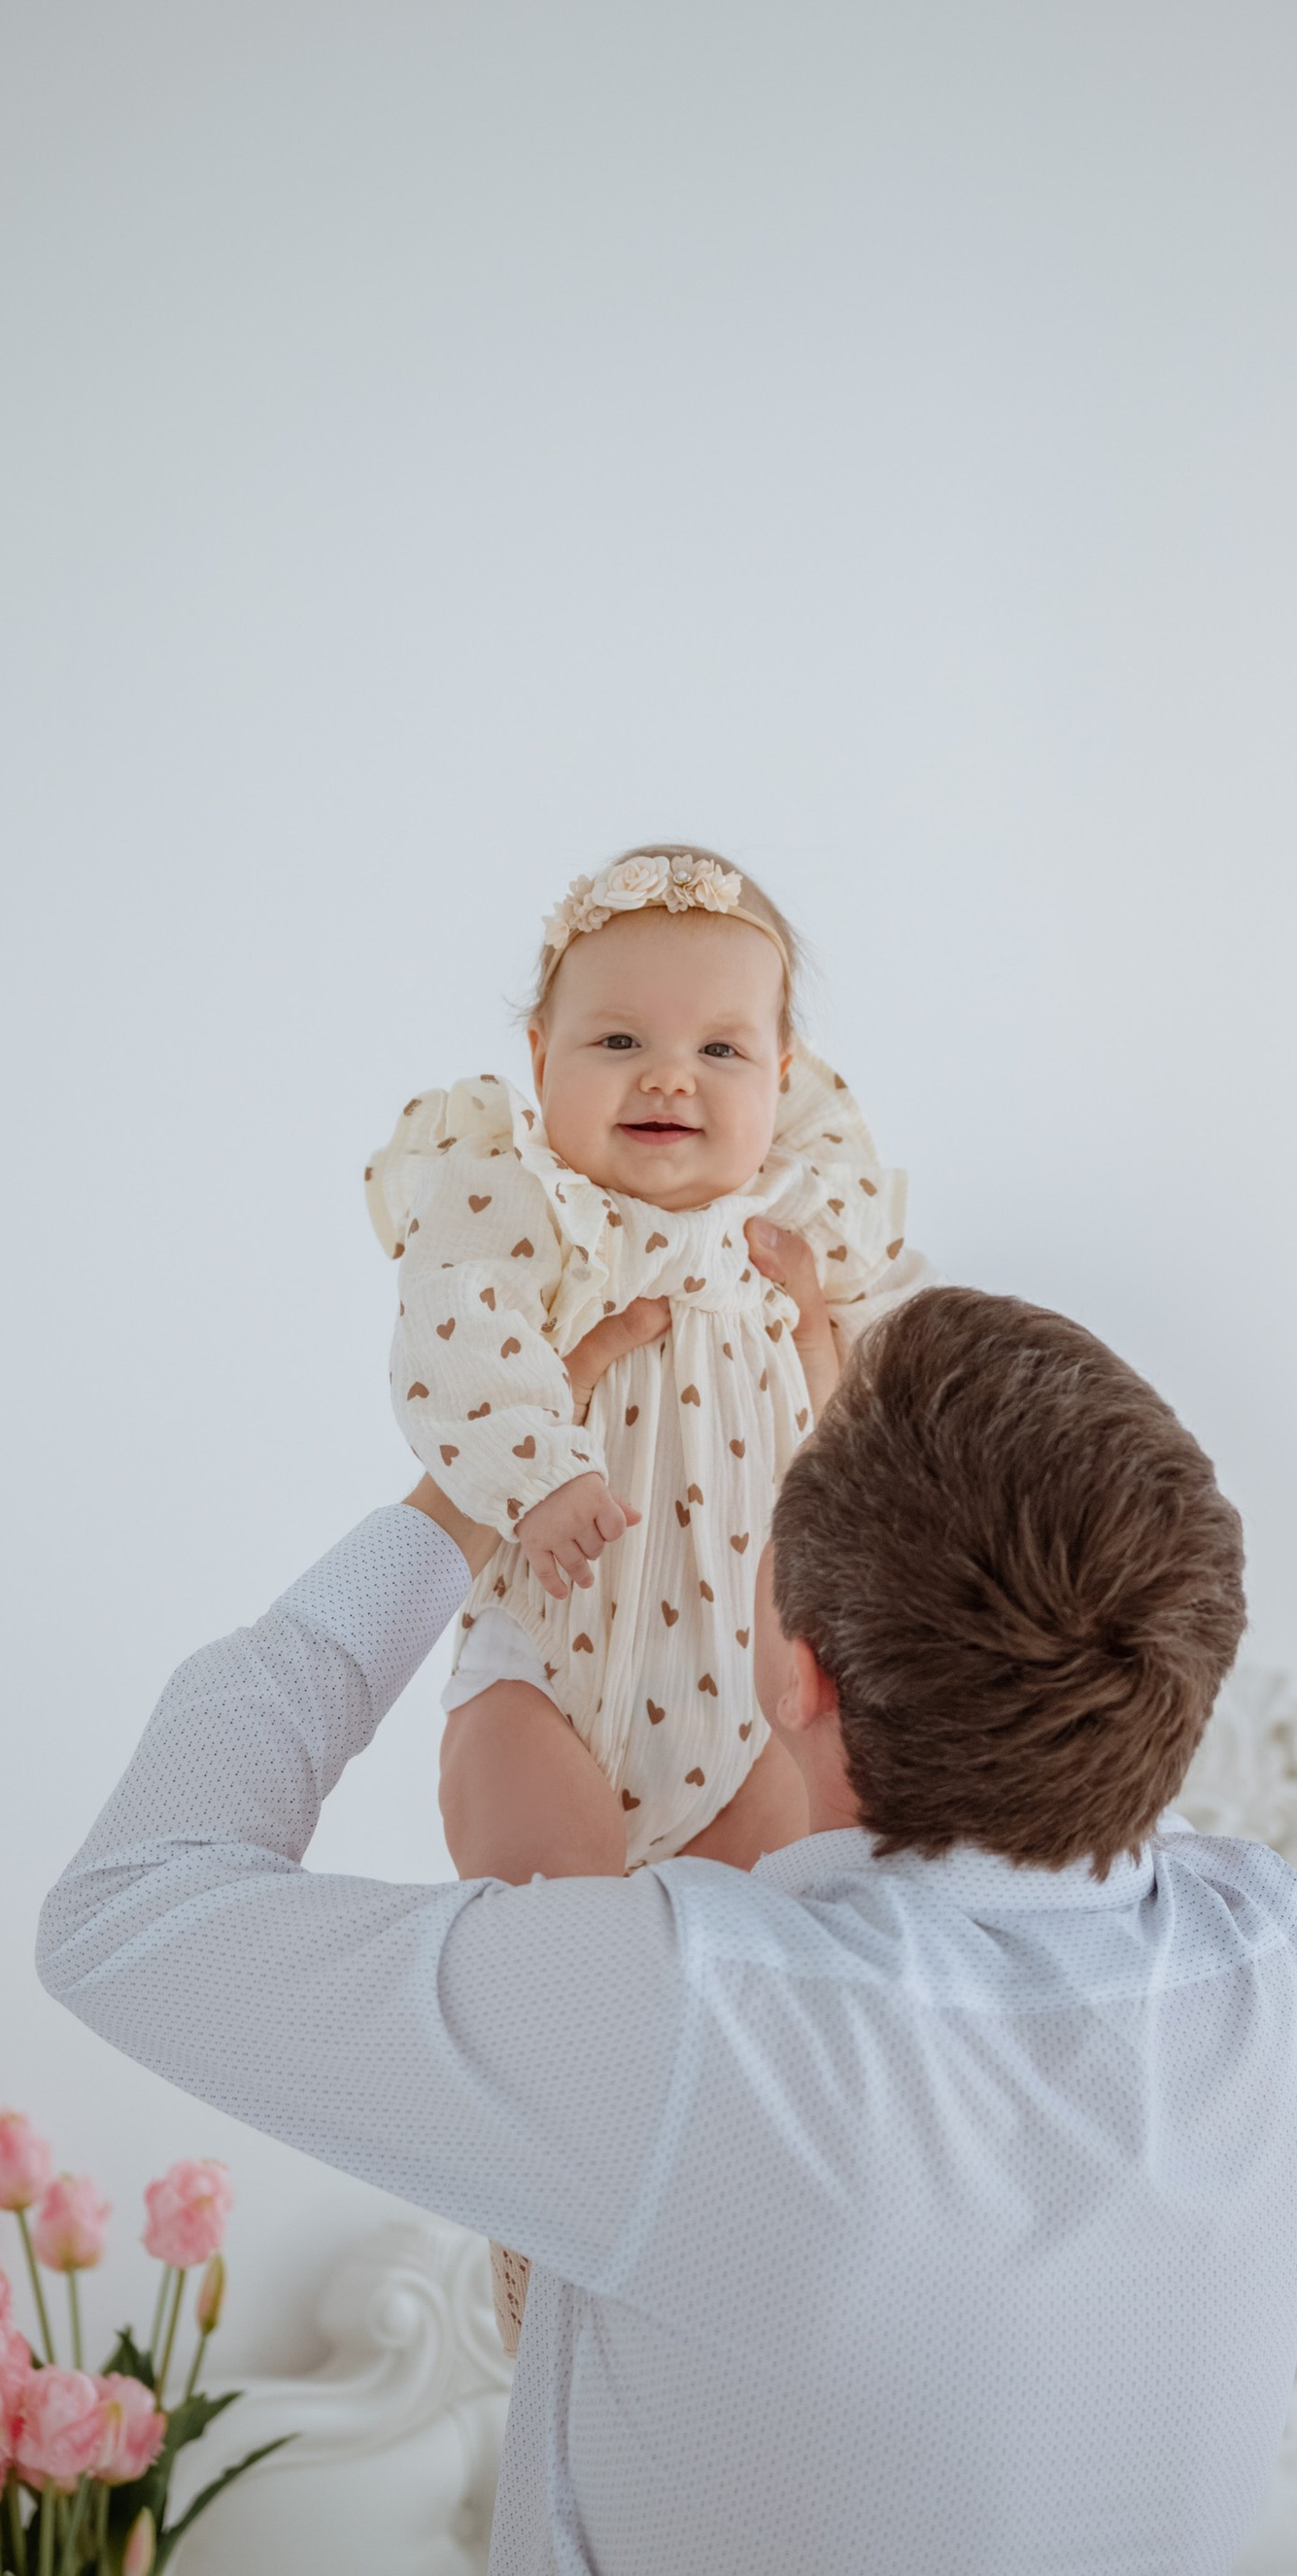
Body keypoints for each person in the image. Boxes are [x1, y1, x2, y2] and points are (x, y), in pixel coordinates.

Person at [40, 1285, 1297, 2576]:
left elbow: (129, 1905)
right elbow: (967, 1821)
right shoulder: (1265, 1960)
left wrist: (464, 1499)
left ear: (796, 1667)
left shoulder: (697, 2028)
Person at [366, 839, 931, 2346]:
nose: (668, 1077)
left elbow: (874, 1413)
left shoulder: (794, 1237)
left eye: (720, 1050)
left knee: (767, 1971)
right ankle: (543, 2214)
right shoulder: (529, 1210)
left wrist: (825, 1349)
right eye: (617, 1041)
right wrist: (541, 1465)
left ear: (784, 1077)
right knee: (562, 1950)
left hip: (745, 1714)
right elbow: (458, 1344)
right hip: (550, 1674)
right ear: (537, 1061)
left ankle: (721, 2241)